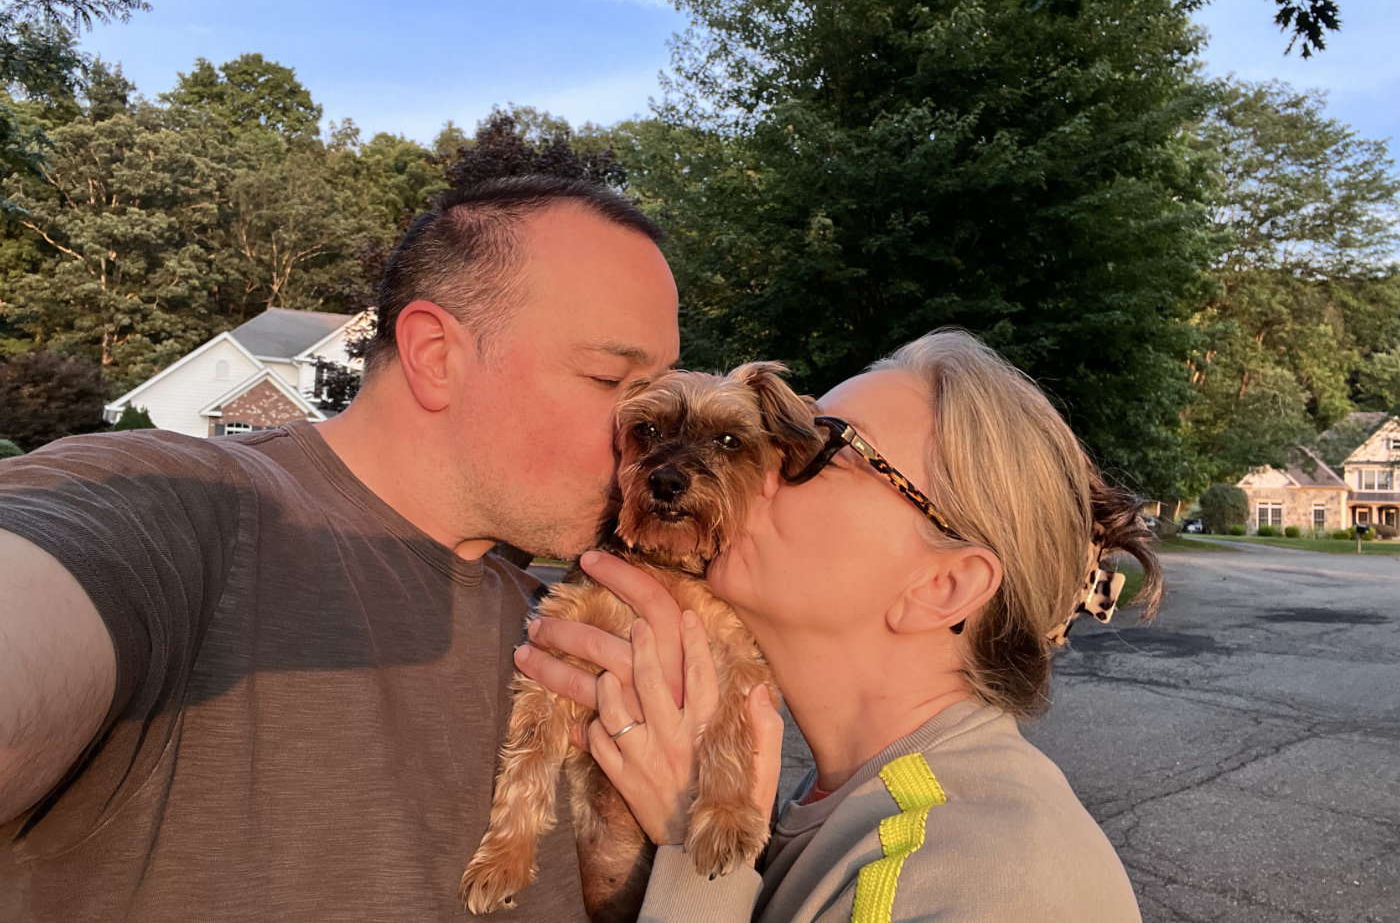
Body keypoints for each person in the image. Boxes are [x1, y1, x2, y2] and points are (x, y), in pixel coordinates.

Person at [0, 176, 682, 921]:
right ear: (433, 354)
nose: (651, 434)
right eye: (612, 379)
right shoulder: (183, 504)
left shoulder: (571, 624)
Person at [519, 329, 1162, 923]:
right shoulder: (846, 803)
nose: (764, 471)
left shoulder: (995, 882)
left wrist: (698, 856)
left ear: (944, 586)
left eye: (822, 451)